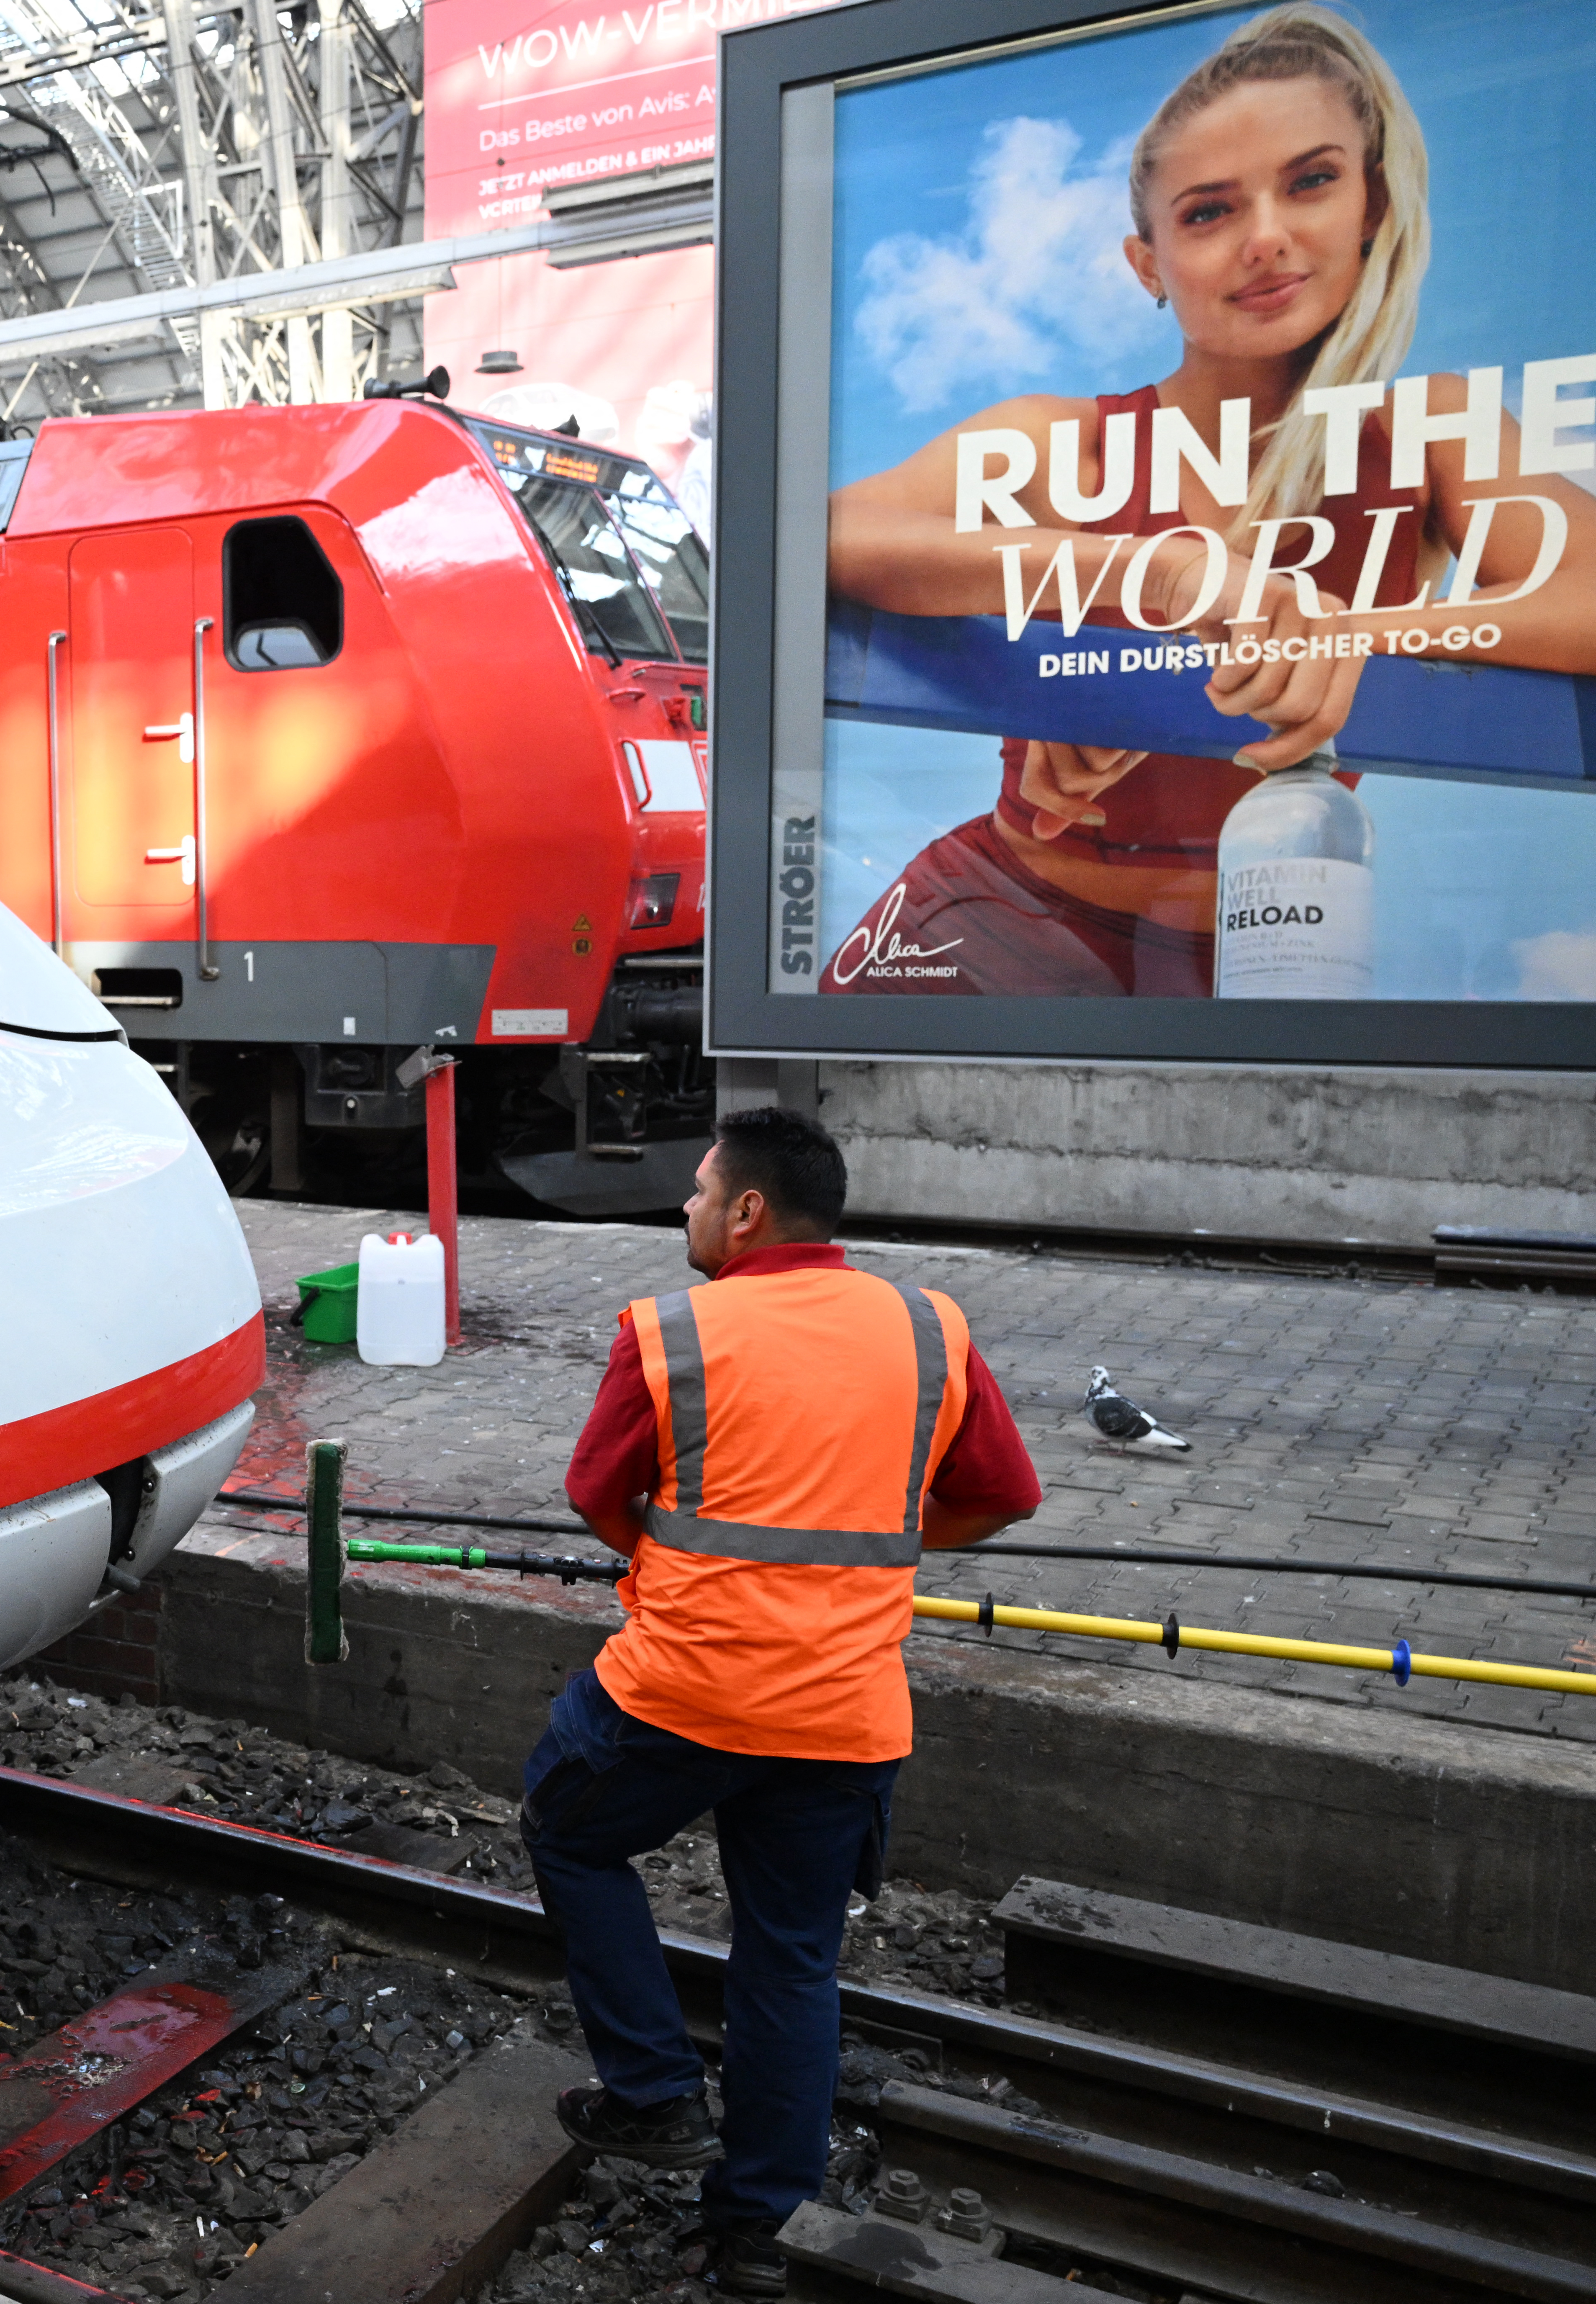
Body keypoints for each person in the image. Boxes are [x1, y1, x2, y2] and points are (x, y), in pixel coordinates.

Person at [821, 3, 1596, 997]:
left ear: (1371, 205)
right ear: (1149, 264)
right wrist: (1159, 575)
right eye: (1209, 211)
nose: (1266, 239)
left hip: (1260, 959)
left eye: (1311, 181)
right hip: (989, 921)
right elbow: (823, 534)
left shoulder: (1425, 434)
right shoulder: (1077, 440)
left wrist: (1326, 631)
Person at [519, 1107, 1042, 2294]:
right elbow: (1006, 1492)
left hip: (677, 1693)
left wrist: (670, 1567)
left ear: (748, 1211)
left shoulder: (669, 1331)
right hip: (846, 1717)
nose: (688, 1212)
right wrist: (882, 1542)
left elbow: (598, 1494)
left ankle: (653, 2092)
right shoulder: (929, 1326)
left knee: (568, 1830)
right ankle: (757, 2234)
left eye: (699, 1194)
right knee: (791, 1965)